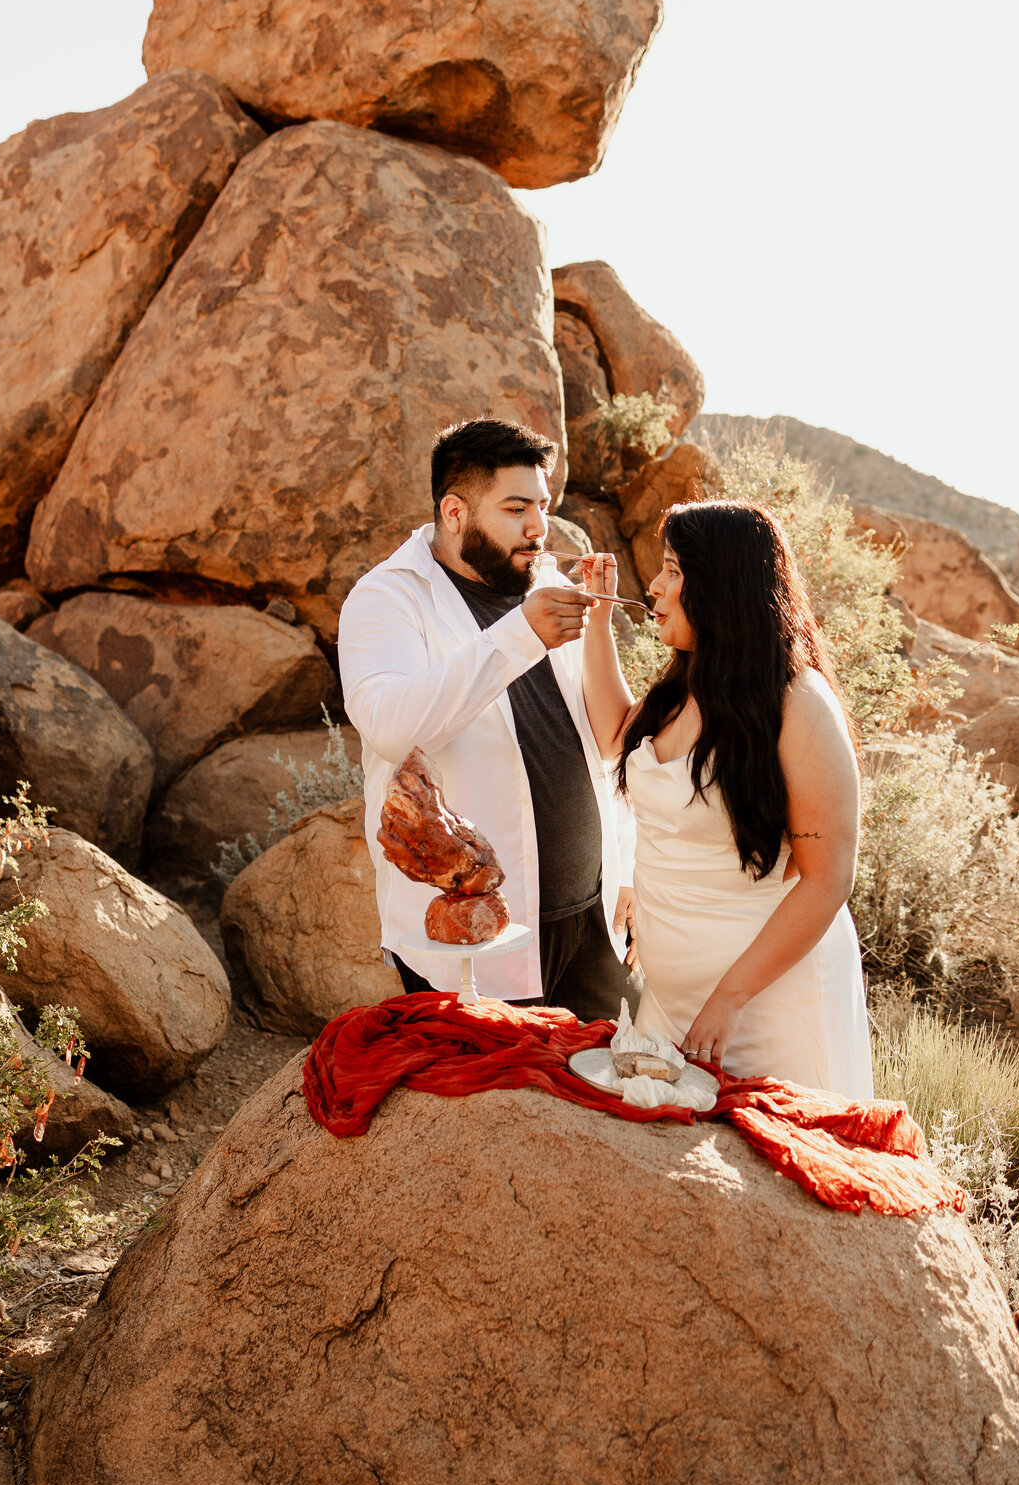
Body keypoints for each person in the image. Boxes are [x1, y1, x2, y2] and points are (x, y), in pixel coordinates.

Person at [339, 416, 636, 1020]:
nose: (538, 527)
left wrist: (631, 870)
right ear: (454, 513)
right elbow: (391, 727)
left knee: (619, 1092)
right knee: (504, 1108)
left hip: (593, 919)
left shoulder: (545, 582)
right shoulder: (386, 598)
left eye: (543, 506)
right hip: (473, 933)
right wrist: (520, 635)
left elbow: (605, 746)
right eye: (516, 508)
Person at [580, 498, 873, 1096]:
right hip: (671, 1002)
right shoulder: (685, 684)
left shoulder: (799, 705)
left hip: (766, 1004)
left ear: (723, 586)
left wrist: (730, 998)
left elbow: (827, 879)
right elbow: (615, 736)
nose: (657, 587)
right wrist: (596, 622)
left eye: (674, 570)